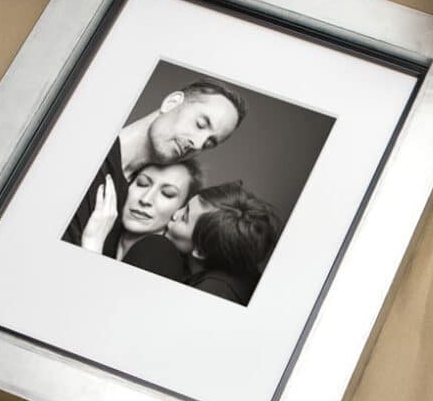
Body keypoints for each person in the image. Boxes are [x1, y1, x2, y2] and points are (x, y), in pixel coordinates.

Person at [62, 79, 246, 255]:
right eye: (200, 124)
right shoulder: (81, 152)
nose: (197, 144)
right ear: (171, 103)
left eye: (208, 143)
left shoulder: (131, 201)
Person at [147, 181, 284, 305]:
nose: (175, 214)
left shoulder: (208, 296)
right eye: (184, 206)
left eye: (184, 218)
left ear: (200, 251)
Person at [76, 161, 202, 279]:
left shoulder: (160, 253)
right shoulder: (108, 236)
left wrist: (92, 244)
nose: (146, 199)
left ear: (180, 209)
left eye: (167, 194)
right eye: (142, 183)